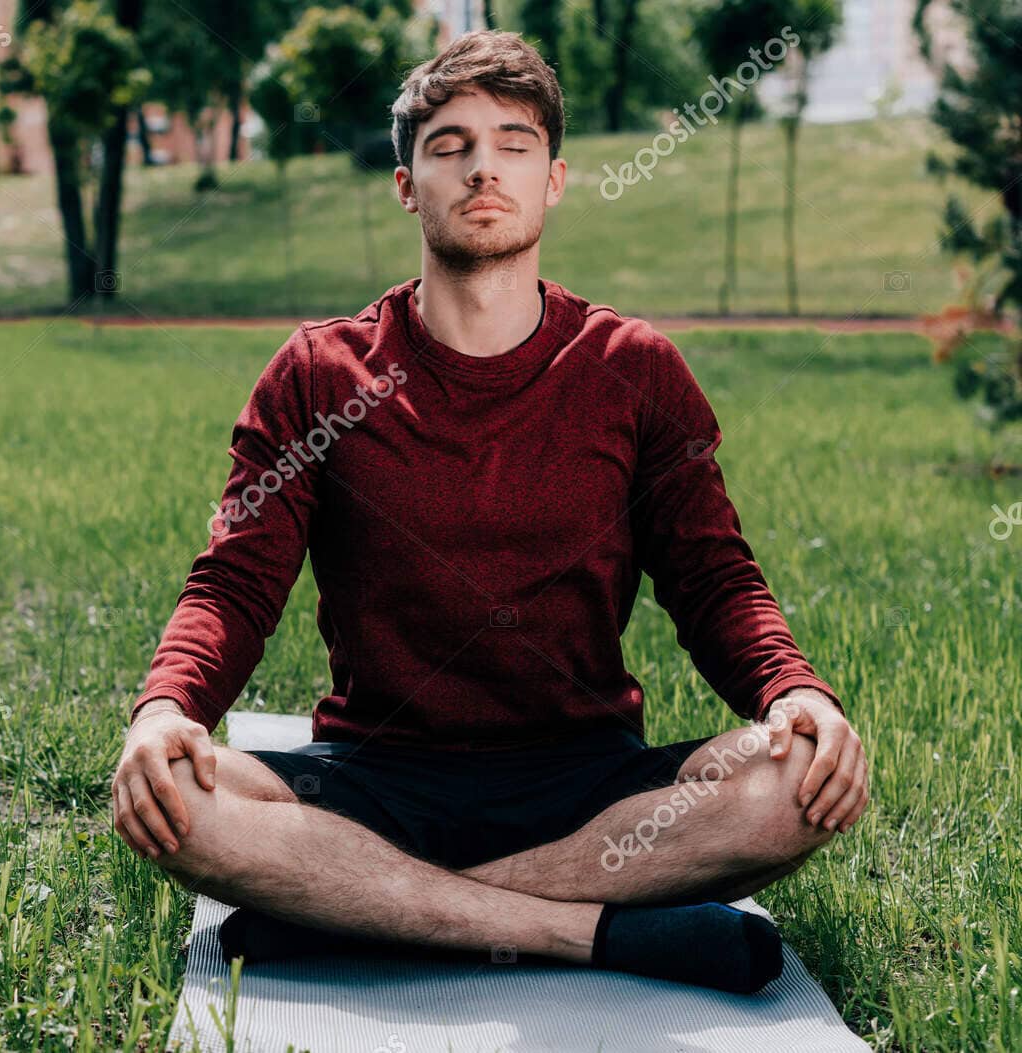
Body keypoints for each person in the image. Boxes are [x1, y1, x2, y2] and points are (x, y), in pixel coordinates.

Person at [110, 29, 868, 995]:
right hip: (371, 780)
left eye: (513, 143)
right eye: (449, 144)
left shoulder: (633, 370)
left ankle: (371, 912)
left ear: (553, 179)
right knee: (172, 788)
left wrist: (795, 692)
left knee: (793, 777)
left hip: (592, 789)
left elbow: (715, 578)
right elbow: (234, 581)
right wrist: (167, 707)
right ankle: (583, 934)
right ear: (405, 183)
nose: (482, 168)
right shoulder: (317, 373)